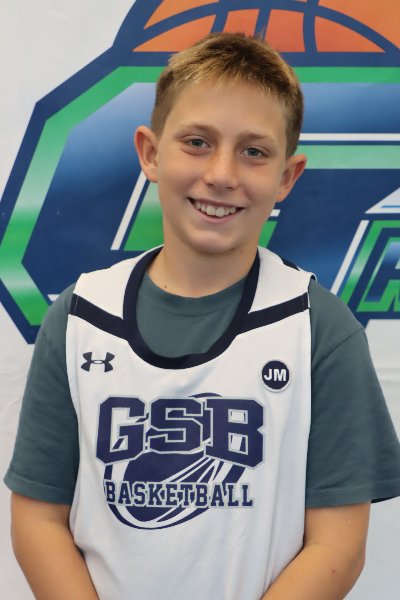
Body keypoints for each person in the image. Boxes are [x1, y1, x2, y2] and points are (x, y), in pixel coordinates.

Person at [5, 32, 400, 600]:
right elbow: (38, 518)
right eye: (197, 142)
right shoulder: (79, 317)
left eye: (254, 152)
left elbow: (337, 546)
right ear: (150, 153)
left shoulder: (319, 329)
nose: (221, 174)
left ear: (287, 177)